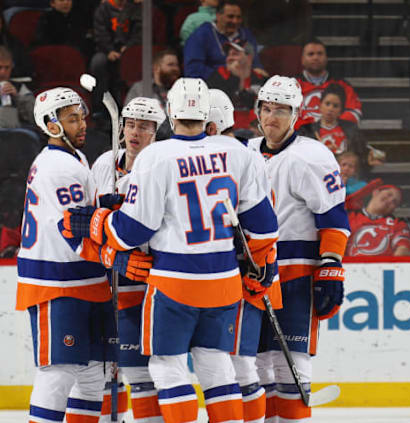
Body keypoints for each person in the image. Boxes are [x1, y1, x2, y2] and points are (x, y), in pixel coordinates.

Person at [63, 77, 279, 423]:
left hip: (174, 282)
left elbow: (132, 233)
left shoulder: (156, 157)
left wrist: (100, 222)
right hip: (224, 281)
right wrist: (266, 265)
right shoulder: (238, 153)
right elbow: (265, 226)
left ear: (169, 114)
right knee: (217, 365)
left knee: (168, 368)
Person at [247, 75, 350, 422]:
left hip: (296, 272)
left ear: (297, 114)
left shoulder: (313, 156)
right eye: (266, 108)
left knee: (292, 360)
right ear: (257, 111)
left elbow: (334, 216)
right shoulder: (245, 153)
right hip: (254, 271)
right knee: (259, 363)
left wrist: (331, 266)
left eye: (281, 109)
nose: (272, 116)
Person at [16, 87, 121, 423]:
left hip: (79, 278)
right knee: (58, 372)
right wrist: (114, 242)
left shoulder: (72, 158)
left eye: (82, 117)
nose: (82, 124)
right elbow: (74, 227)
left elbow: (81, 214)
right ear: (52, 125)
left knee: (92, 376)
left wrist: (104, 207)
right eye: (72, 119)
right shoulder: (60, 166)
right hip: (59, 280)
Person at [206, 87, 282, 423]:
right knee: (228, 360)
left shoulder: (235, 156)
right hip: (249, 267)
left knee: (235, 361)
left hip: (243, 270)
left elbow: (262, 224)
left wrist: (259, 265)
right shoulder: (246, 154)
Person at [89, 96, 166, 423]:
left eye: (145, 126)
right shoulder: (104, 163)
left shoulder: (159, 165)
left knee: (140, 372)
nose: (135, 132)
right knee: (105, 371)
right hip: (104, 280)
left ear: (156, 131)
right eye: (130, 124)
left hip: (144, 279)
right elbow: (86, 222)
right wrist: (105, 234)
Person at [184, 0, 265, 80]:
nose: (235, 21)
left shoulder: (246, 35)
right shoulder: (200, 35)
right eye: (230, 16)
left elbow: (256, 64)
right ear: (218, 15)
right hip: (212, 86)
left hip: (245, 84)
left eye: (238, 17)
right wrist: (226, 75)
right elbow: (193, 71)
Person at [296, 39, 362, 125]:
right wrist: (307, 128)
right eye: (310, 54)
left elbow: (355, 113)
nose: (315, 57)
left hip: (335, 136)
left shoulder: (343, 85)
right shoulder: (292, 85)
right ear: (302, 59)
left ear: (326, 58)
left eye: (320, 54)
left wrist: (328, 126)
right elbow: (283, 115)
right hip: (301, 135)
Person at [90, 0, 141, 108]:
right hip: (106, 50)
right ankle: (100, 106)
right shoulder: (103, 9)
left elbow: (139, 31)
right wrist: (109, 50)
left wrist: (129, 47)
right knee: (98, 62)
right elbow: (100, 32)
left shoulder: (134, 7)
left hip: (130, 50)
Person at [206, 39, 266, 131]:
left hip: (255, 131)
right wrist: (239, 79)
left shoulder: (260, 79)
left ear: (249, 57)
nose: (229, 58)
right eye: (228, 55)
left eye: (235, 54)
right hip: (226, 131)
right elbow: (220, 106)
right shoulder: (218, 76)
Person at [124, 49, 180, 140]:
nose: (175, 69)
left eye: (176, 65)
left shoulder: (180, 91)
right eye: (170, 65)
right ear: (156, 68)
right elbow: (129, 119)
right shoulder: (140, 89)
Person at [346, 184, 410, 257]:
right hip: (349, 266)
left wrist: (391, 266)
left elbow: (402, 248)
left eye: (394, 202)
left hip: (382, 267)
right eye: (389, 194)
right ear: (376, 192)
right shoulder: (349, 217)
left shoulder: (398, 224)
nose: (390, 200)